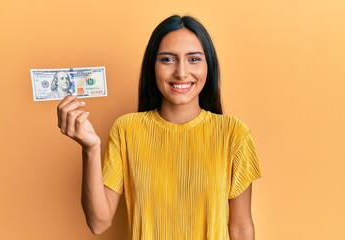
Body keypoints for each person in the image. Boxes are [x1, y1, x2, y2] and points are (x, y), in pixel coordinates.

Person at [57, 15, 262, 240]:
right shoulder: (126, 130)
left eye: (193, 59)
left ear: (208, 66)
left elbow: (241, 228)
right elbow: (98, 222)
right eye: (167, 59)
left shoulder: (234, 134)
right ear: (152, 67)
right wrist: (90, 149)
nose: (181, 72)